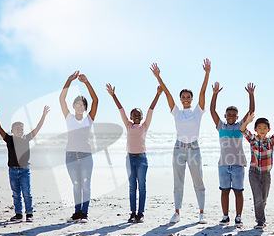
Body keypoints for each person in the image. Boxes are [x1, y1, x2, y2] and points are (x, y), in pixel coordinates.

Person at [151, 59, 211, 224]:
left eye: (188, 97)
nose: (186, 99)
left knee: (198, 181)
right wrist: (158, 77)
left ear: (191, 99)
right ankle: (177, 213)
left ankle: (201, 213)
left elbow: (203, 92)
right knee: (178, 182)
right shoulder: (176, 111)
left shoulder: (197, 111)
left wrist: (207, 74)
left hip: (194, 148)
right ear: (180, 99)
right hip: (178, 148)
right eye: (183, 97)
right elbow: (168, 94)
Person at [106, 83, 163, 223]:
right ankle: (132, 213)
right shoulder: (128, 125)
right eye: (134, 115)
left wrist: (158, 94)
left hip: (142, 160)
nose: (137, 116)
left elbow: (151, 109)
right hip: (130, 159)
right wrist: (113, 95)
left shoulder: (145, 126)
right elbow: (121, 110)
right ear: (131, 117)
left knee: (142, 186)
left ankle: (141, 213)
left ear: (142, 117)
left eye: (139, 114)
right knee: (132, 186)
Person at [0, 104, 50, 222]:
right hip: (12, 171)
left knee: (26, 193)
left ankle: (29, 213)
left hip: (24, 170)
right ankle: (18, 214)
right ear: (12, 131)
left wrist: (43, 115)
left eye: (21, 129)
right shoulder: (9, 139)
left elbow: (37, 128)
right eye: (17, 129)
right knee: (16, 194)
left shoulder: (26, 138)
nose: (20, 130)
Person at [210, 81, 255, 227]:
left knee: (238, 192)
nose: (230, 117)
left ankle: (238, 216)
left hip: (238, 165)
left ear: (237, 117)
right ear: (225, 115)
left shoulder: (240, 127)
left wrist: (251, 95)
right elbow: (212, 111)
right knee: (224, 191)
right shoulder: (221, 126)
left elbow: (251, 112)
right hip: (223, 165)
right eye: (228, 115)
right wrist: (215, 94)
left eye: (233, 115)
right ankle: (225, 216)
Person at [60, 71, 98, 223]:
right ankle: (77, 213)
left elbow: (96, 100)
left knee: (86, 185)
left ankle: (84, 213)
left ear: (85, 107)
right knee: (76, 185)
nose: (80, 106)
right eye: (78, 104)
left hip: (86, 156)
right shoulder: (69, 117)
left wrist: (87, 83)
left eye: (83, 105)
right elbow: (61, 98)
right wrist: (68, 80)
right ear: (74, 106)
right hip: (70, 155)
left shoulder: (89, 118)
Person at [240, 111, 274, 229]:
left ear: (268, 129)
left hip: (266, 174)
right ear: (255, 129)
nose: (262, 129)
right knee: (257, 197)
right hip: (254, 173)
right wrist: (247, 122)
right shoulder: (252, 139)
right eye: (259, 127)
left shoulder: (270, 141)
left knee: (263, 198)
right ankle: (261, 221)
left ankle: (259, 216)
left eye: (264, 128)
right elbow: (243, 130)